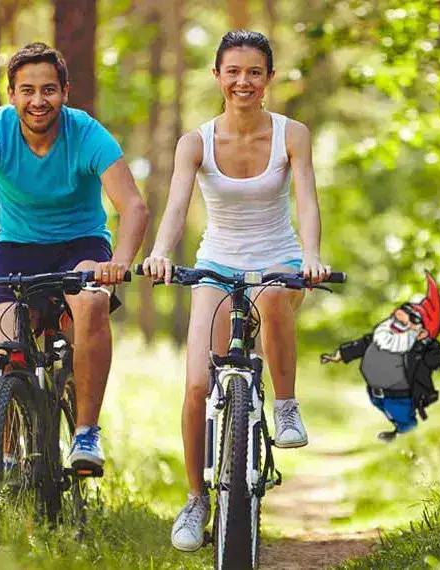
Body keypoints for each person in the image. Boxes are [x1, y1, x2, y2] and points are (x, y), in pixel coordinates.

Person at [0, 42, 148, 471]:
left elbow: (133, 206)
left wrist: (121, 262)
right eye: (27, 90)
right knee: (2, 350)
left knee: (91, 303)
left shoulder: (87, 133)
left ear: (65, 91)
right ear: (11, 93)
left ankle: (86, 433)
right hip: (17, 250)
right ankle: (0, 466)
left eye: (49, 90)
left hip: (82, 245)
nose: (38, 100)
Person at [139, 30, 330, 552]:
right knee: (198, 384)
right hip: (217, 265)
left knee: (270, 293)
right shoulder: (194, 142)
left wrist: (310, 256)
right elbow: (177, 205)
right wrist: (159, 250)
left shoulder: (293, 134)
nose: (243, 81)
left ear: (269, 78)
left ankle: (286, 405)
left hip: (280, 260)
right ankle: (196, 499)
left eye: (254, 72)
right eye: (233, 71)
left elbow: (308, 198)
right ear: (217, 76)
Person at [321, 273, 440, 441]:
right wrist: (339, 355)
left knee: (405, 422)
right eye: (404, 310)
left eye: (413, 318)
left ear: (422, 333)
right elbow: (361, 345)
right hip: (374, 393)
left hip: (399, 397)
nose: (402, 315)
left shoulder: (421, 348)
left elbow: (439, 357)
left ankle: (408, 440)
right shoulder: (381, 335)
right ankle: (400, 430)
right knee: (388, 411)